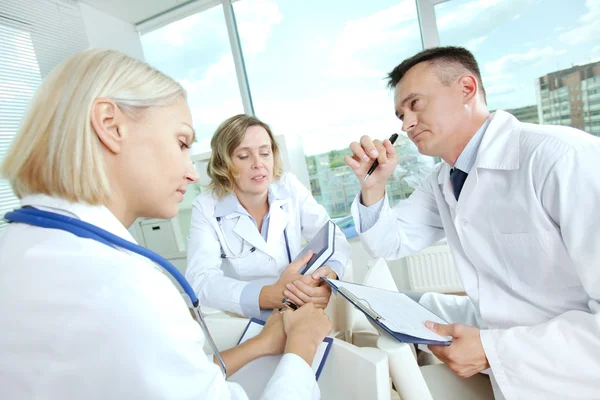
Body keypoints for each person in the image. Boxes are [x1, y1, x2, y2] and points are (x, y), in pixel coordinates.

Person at [0, 49, 331, 399]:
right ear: (111, 126)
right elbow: (201, 283)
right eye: (181, 142)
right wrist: (300, 350)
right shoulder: (125, 287)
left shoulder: (23, 249)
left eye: (265, 153)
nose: (190, 172)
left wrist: (270, 337)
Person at [344, 46, 600, 400]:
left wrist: (494, 350)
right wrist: (374, 186)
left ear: (467, 89)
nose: (406, 124)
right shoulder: (443, 180)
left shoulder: (563, 160)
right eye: (400, 114)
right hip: (516, 377)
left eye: (415, 104)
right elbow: (390, 243)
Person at [186, 114, 351, 320]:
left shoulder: (288, 187)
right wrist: (270, 295)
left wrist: (329, 276)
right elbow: (201, 280)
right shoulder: (206, 206)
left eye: (264, 153)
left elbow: (333, 237)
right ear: (224, 164)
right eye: (244, 156)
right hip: (243, 319)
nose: (258, 164)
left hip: (297, 310)